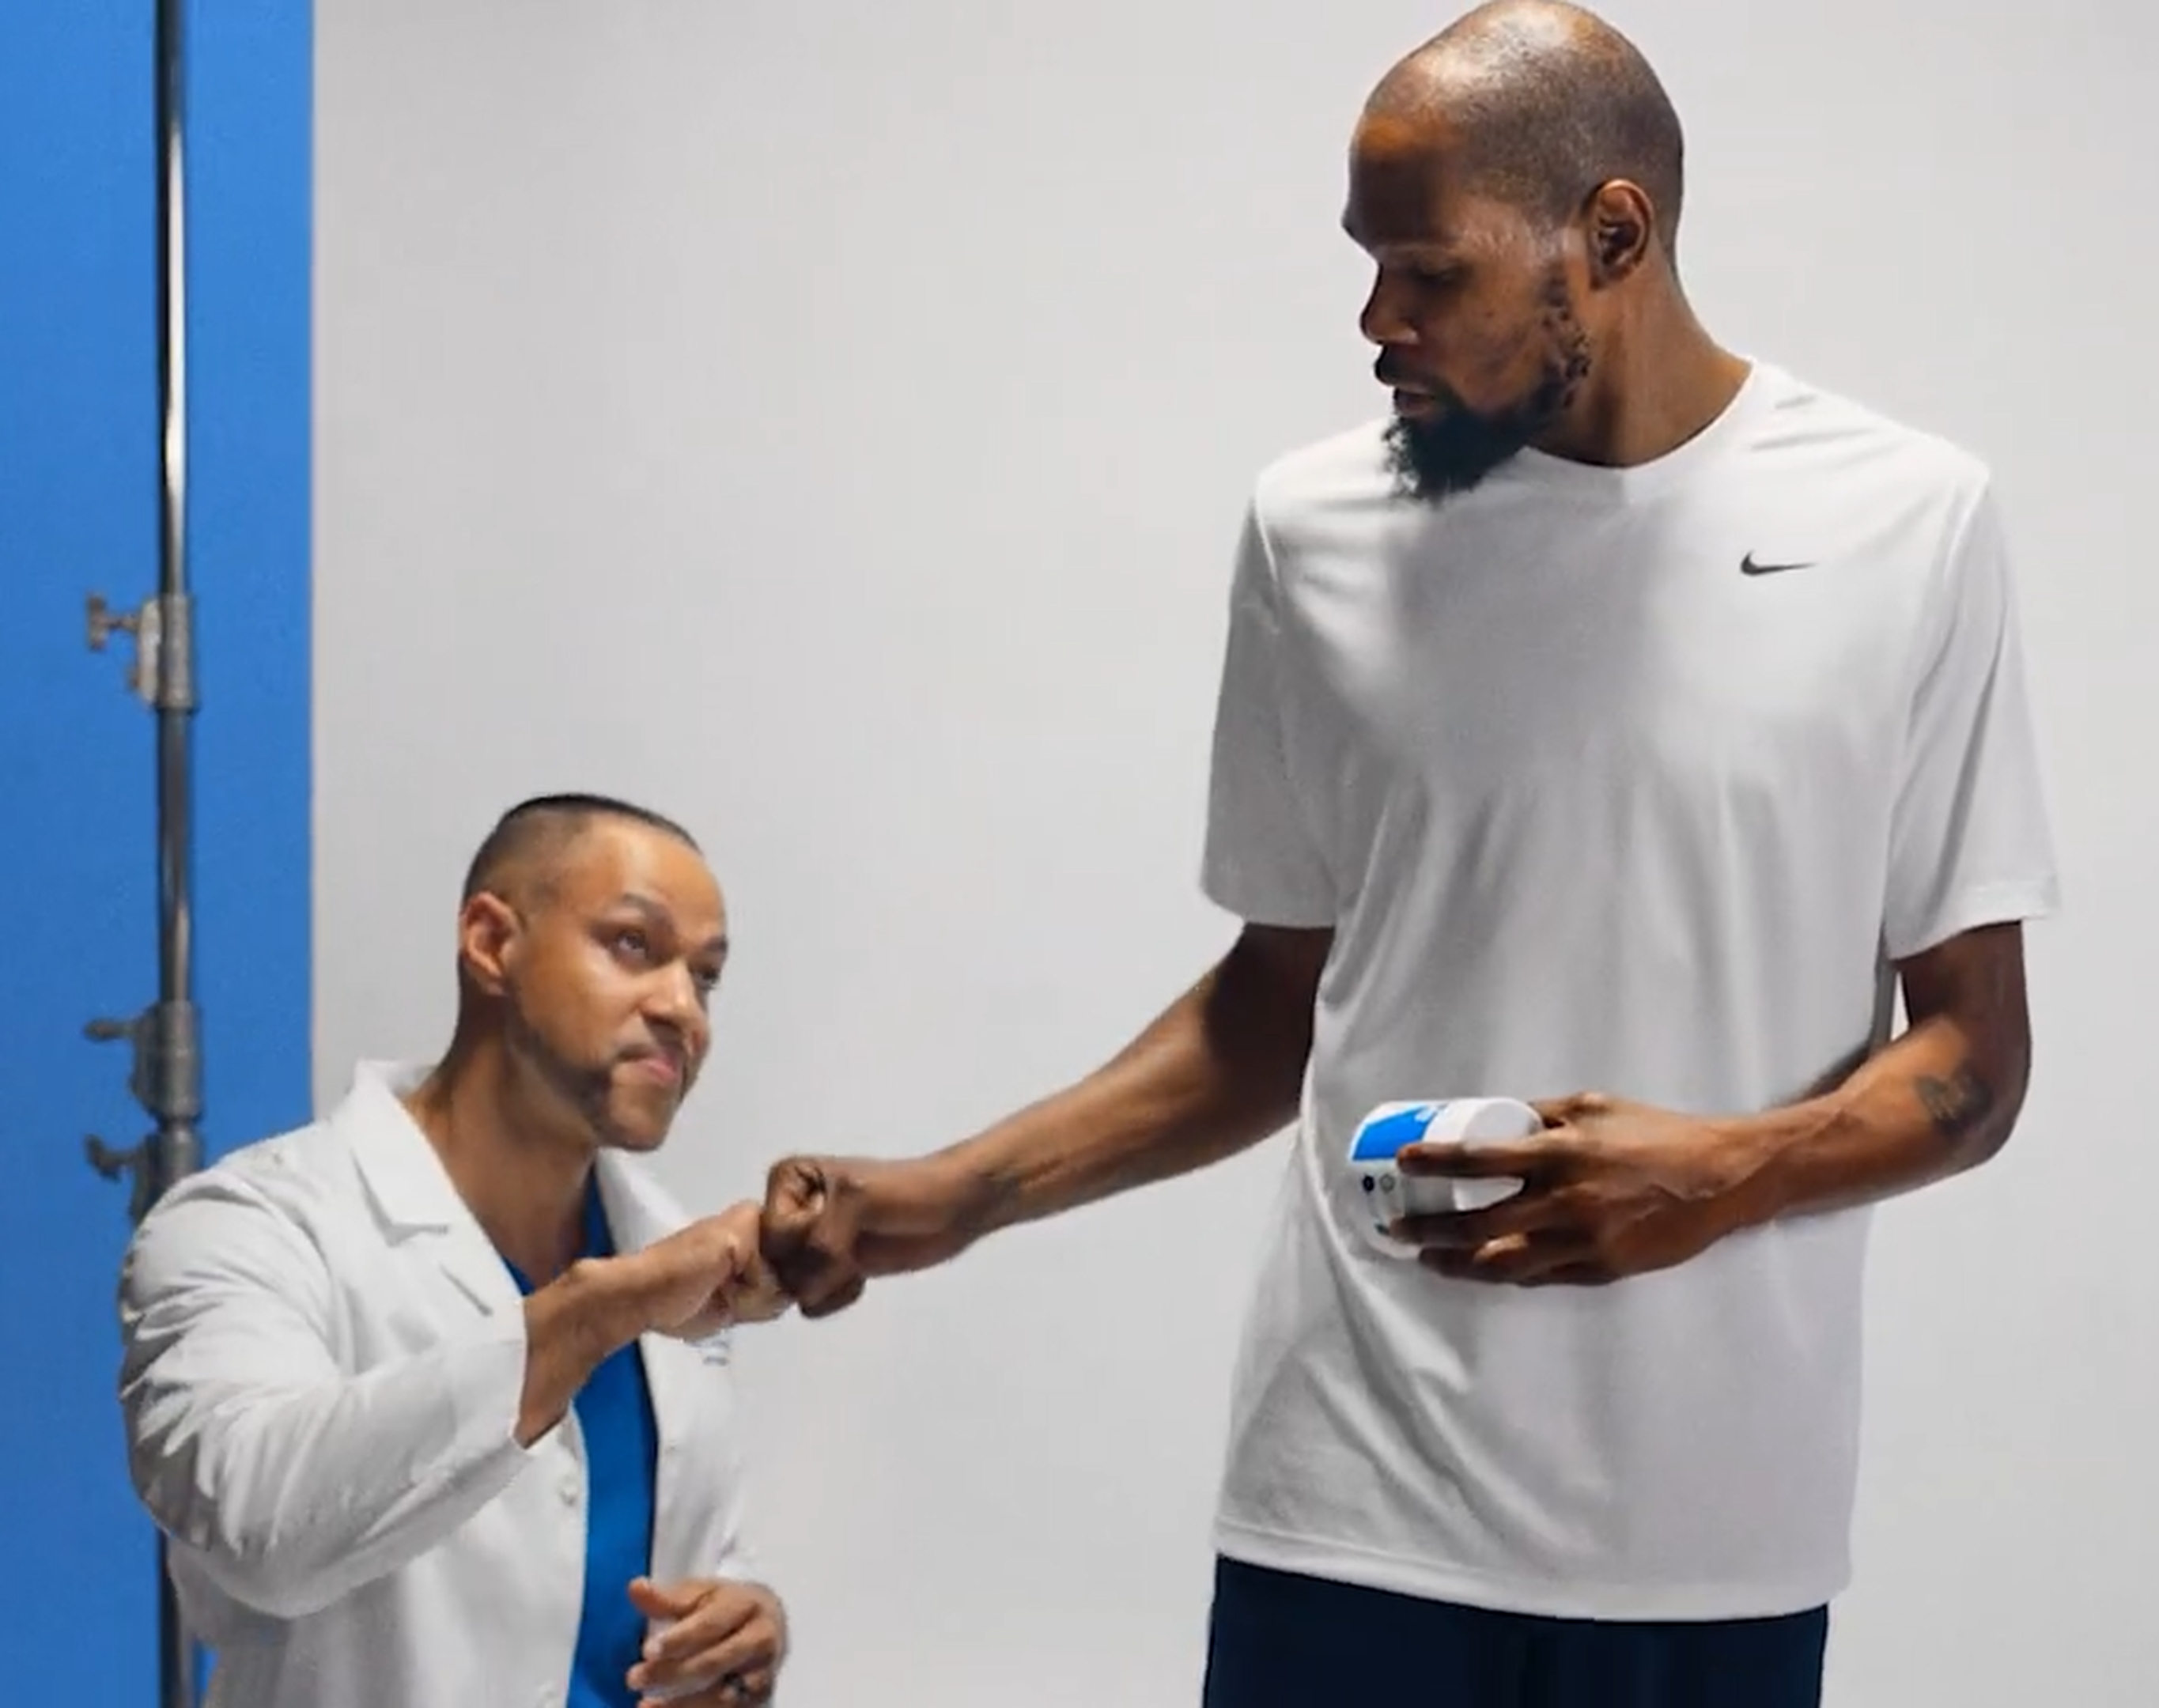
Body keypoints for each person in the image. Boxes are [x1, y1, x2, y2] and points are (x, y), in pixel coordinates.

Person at [758, 2, 2060, 1702]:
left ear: (1612, 236)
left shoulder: (1907, 523)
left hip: (1711, 1542)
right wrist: (958, 1194)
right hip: (1349, 1513)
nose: (1378, 321)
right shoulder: (1315, 530)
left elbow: (1975, 1057)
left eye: (1428, 272)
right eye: (1369, 265)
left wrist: (1725, 1171)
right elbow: (1275, 1004)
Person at [115, 793, 796, 1708]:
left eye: (704, 977)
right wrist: (591, 1317)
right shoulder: (252, 1224)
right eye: (634, 945)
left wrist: (748, 1621)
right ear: (490, 941)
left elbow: (674, 1551)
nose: (684, 1009)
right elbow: (255, 1530)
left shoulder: (662, 1243)